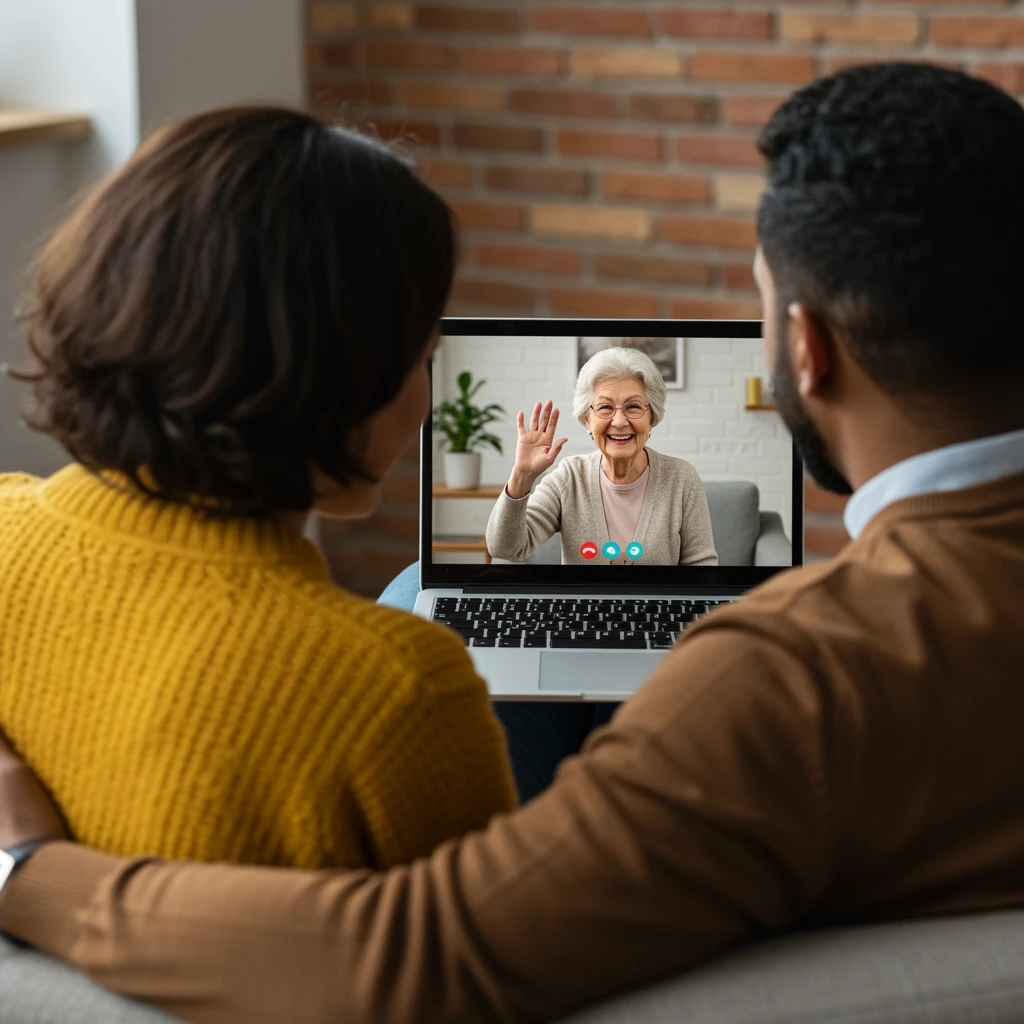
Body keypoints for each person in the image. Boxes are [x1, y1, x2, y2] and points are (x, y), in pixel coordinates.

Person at [4, 61, 1024, 1024]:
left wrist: (24, 864)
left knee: (422, 616)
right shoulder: (661, 556)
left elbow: (420, 953)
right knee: (427, 591)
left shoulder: (784, 687)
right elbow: (508, 545)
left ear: (804, 347)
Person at [0, 106, 516, 872]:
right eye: (421, 357)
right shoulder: (400, 692)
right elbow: (483, 970)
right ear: (335, 380)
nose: (431, 399)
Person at [485, 346, 718, 565]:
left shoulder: (681, 478)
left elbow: (702, 568)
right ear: (588, 419)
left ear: (652, 418)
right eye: (605, 407)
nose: (619, 421)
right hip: (581, 608)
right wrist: (521, 476)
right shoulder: (569, 477)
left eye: (633, 407)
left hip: (658, 608)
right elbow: (505, 549)